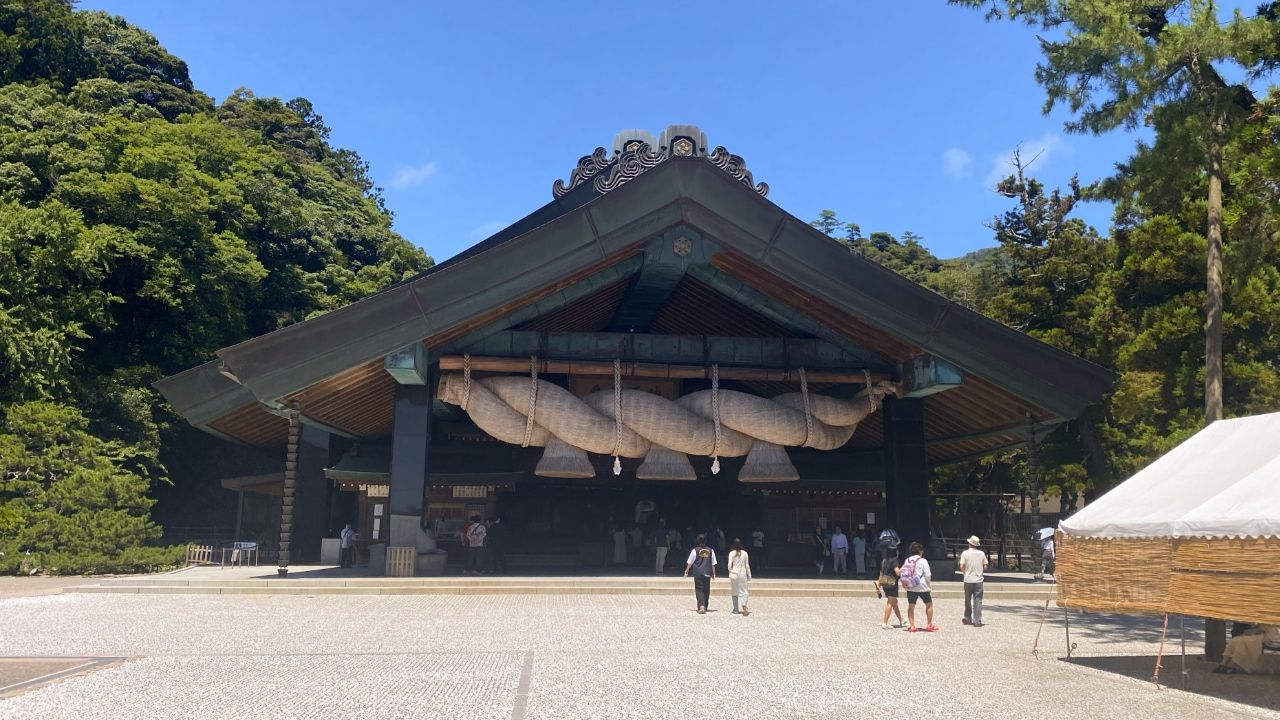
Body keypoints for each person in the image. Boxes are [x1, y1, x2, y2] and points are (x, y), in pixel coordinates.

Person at [1215, 624, 1280, 675]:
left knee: (1242, 642)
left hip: (1268, 633)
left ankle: (1232, 664)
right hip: (1258, 631)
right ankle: (1223, 664)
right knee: (1234, 640)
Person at [901, 541, 937, 632]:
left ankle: (912, 626)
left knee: (911, 605)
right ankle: (929, 624)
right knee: (929, 604)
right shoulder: (923, 561)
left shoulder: (907, 560)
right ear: (920, 551)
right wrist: (928, 584)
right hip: (922, 586)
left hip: (910, 585)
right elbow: (928, 574)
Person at [683, 534, 717, 614]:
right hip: (707, 572)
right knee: (706, 590)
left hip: (698, 572)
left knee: (699, 589)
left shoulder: (695, 550)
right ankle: (705, 605)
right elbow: (713, 563)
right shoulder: (711, 550)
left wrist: (686, 571)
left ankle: (701, 606)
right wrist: (714, 573)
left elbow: (690, 562)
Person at [959, 535, 988, 627]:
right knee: (978, 600)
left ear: (969, 543)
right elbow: (985, 566)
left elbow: (962, 566)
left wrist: (965, 572)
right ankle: (977, 620)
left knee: (968, 600)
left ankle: (967, 617)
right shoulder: (981, 554)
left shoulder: (965, 553)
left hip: (968, 579)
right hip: (978, 580)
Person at [876, 548, 904, 629]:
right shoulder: (895, 560)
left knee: (894, 602)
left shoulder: (884, 561)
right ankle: (885, 622)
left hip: (885, 583)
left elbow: (881, 573)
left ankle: (901, 620)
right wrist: (905, 567)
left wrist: (879, 585)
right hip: (892, 584)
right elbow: (897, 572)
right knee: (890, 603)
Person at [727, 538, 752, 616]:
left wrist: (731, 571)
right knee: (744, 591)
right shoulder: (744, 553)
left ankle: (736, 609)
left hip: (734, 574)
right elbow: (747, 565)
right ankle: (744, 606)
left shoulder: (731, 553)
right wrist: (749, 575)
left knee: (734, 591)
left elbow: (729, 565)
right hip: (742, 573)